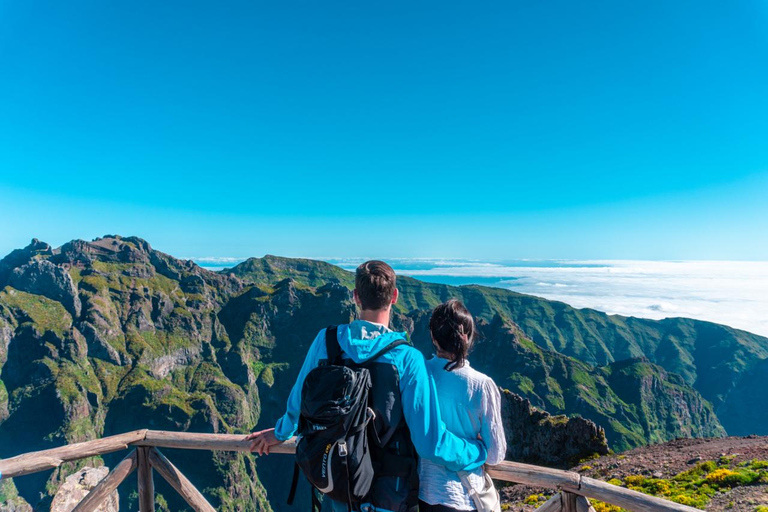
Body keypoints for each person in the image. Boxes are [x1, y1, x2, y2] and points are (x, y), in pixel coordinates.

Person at [246, 261, 488, 512]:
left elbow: (299, 401)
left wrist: (279, 432)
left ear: (356, 297)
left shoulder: (326, 341)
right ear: (394, 297)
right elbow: (430, 443)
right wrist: (477, 451)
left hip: (338, 483)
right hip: (388, 494)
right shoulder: (408, 359)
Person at [418, 300, 507, 512]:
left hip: (420, 493)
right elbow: (495, 454)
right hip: (464, 497)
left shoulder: (418, 375)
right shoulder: (481, 385)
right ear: (467, 337)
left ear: (433, 336)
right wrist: (477, 444)